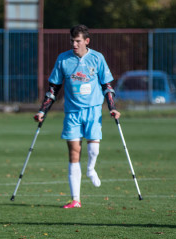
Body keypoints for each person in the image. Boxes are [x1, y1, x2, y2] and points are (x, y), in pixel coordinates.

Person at [34, 24, 121, 208]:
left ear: (86, 41)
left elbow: (107, 86)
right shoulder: (63, 59)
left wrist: (112, 107)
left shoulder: (97, 58)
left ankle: (91, 169)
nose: (74, 44)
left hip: (93, 110)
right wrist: (42, 111)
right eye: (72, 40)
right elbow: (53, 88)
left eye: (78, 41)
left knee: (93, 150)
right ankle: (76, 199)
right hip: (72, 112)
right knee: (74, 152)